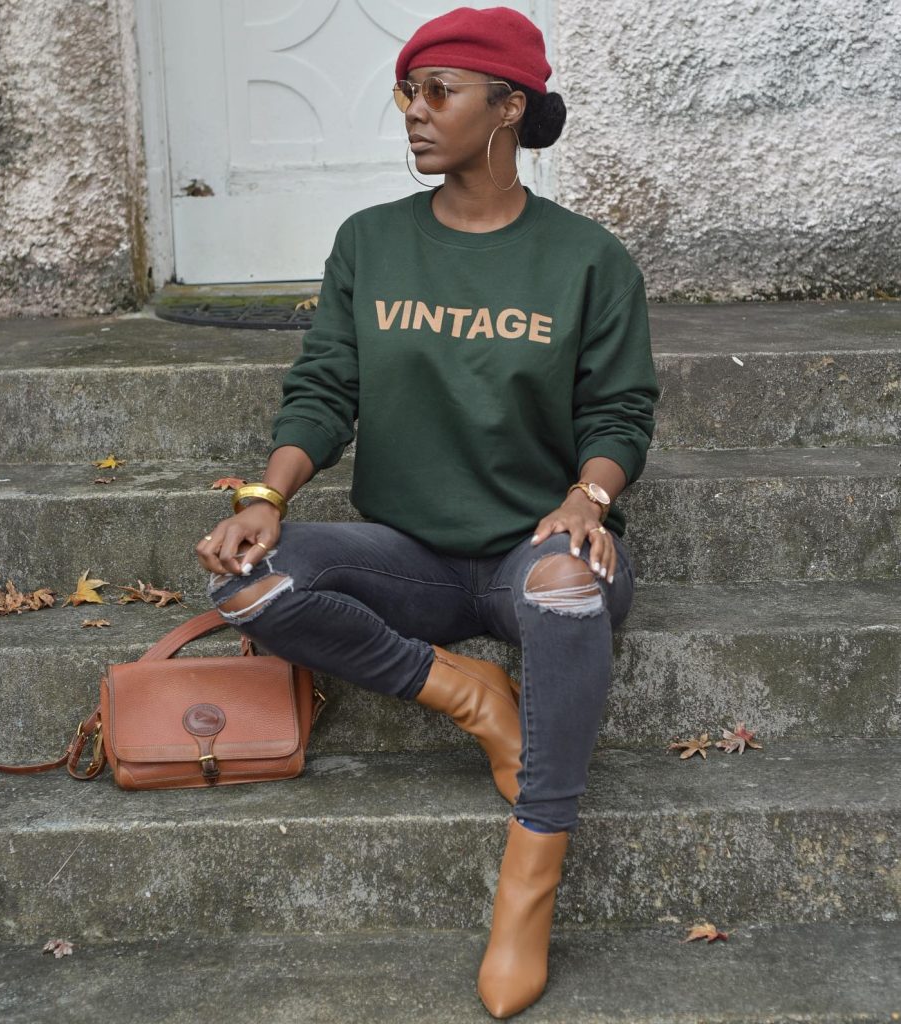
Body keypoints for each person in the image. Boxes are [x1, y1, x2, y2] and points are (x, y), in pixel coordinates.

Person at [196, 6, 658, 1018]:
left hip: (532, 551)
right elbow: (323, 386)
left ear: (508, 106)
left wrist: (590, 495)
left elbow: (622, 409)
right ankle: (466, 692)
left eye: (437, 91)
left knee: (573, 587)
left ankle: (528, 885)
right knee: (243, 582)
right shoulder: (371, 244)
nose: (412, 111)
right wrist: (267, 496)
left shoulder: (586, 260)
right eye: (408, 90)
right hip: (405, 553)